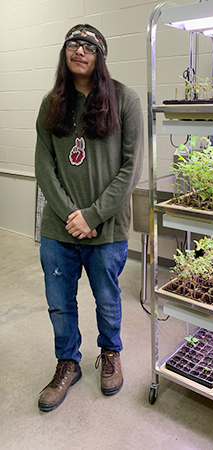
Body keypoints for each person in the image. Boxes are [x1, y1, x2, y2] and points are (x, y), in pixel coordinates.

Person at [35, 24, 144, 412]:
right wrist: (71, 216)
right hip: (59, 228)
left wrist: (94, 215)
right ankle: (68, 362)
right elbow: (44, 167)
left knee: (107, 299)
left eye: (89, 46)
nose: (79, 50)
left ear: (100, 56)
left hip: (107, 227)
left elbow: (131, 168)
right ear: (65, 53)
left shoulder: (123, 99)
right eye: (73, 44)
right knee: (59, 302)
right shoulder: (52, 104)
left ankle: (110, 354)